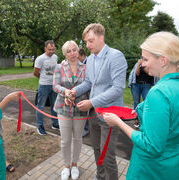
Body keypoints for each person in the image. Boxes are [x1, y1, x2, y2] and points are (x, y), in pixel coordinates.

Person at [103, 31, 179, 180]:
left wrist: (117, 122)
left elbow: (151, 145)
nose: (142, 63)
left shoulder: (159, 93)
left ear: (162, 61)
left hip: (150, 169)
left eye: (145, 59)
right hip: (172, 165)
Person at [66, 23, 127, 180]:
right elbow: (88, 82)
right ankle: (100, 177)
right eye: (86, 41)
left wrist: (92, 102)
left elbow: (118, 88)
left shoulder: (115, 56)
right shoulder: (91, 59)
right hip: (94, 114)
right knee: (97, 150)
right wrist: (74, 91)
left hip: (109, 115)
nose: (87, 45)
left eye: (91, 41)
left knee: (108, 156)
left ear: (101, 37)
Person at [53, 41, 88, 180]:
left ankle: (75, 164)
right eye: (69, 51)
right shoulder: (59, 67)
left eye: (75, 50)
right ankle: (66, 166)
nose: (72, 53)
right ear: (64, 54)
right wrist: (65, 91)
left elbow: (88, 85)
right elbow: (55, 85)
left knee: (77, 139)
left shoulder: (86, 67)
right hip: (63, 108)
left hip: (80, 108)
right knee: (65, 140)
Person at [33, 40, 59, 135]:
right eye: (49, 49)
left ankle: (55, 124)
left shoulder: (55, 57)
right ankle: (40, 126)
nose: (51, 51)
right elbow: (35, 73)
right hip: (44, 86)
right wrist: (43, 78)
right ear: (45, 48)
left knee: (54, 105)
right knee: (40, 106)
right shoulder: (40, 59)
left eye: (53, 49)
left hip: (54, 85)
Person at [78, 48, 89, 137]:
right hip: (83, 88)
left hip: (89, 90)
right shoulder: (81, 63)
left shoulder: (88, 63)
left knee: (87, 110)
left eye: (78, 57)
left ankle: (86, 129)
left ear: (82, 56)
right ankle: (84, 128)